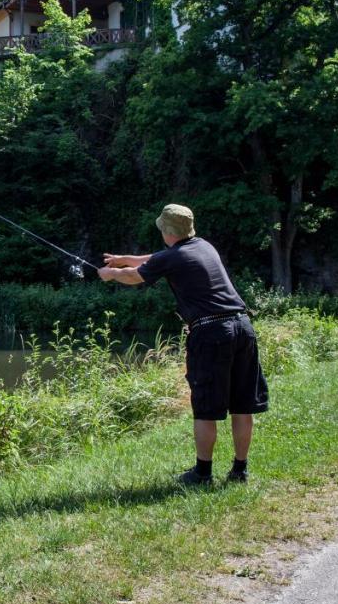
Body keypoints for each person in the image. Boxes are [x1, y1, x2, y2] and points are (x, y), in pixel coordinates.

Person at [98, 203, 268, 486]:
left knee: (206, 406)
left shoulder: (174, 256)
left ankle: (202, 474)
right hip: (242, 327)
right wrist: (123, 258)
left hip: (212, 332)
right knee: (242, 405)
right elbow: (158, 258)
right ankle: (240, 471)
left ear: (167, 231)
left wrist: (112, 273)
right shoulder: (203, 246)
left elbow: (135, 276)